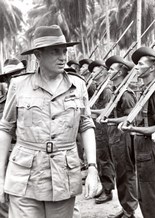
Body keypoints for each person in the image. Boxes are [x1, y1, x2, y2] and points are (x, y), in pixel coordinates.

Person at [0, 25, 98, 218]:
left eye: (64, 51)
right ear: (38, 55)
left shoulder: (78, 85)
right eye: (55, 52)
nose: (62, 57)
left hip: (63, 173)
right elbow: (5, 128)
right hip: (24, 174)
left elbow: (86, 125)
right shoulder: (19, 85)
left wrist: (93, 168)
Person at [120, 47, 155, 218]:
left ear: (151, 69)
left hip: (152, 151)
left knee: (153, 201)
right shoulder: (145, 91)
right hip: (142, 150)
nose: (136, 67)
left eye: (140, 64)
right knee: (145, 200)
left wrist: (132, 129)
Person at [98, 55, 138, 218]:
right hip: (114, 136)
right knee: (120, 172)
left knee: (126, 173)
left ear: (121, 72)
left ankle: (130, 210)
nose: (109, 71)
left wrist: (109, 120)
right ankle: (125, 208)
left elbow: (131, 118)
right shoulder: (116, 90)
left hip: (123, 136)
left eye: (112, 69)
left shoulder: (126, 94)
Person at [0, 58, 26, 218]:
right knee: (3, 197)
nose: (16, 78)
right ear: (7, 80)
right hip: (5, 153)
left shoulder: (34, 97)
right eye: (12, 75)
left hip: (25, 154)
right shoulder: (2, 103)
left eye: (19, 74)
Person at [88, 60, 116, 205]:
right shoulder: (99, 88)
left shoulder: (106, 90)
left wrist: (88, 110)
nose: (91, 73)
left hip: (104, 129)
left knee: (105, 159)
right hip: (97, 128)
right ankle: (104, 186)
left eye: (94, 71)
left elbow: (107, 111)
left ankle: (108, 190)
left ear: (102, 72)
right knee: (99, 159)